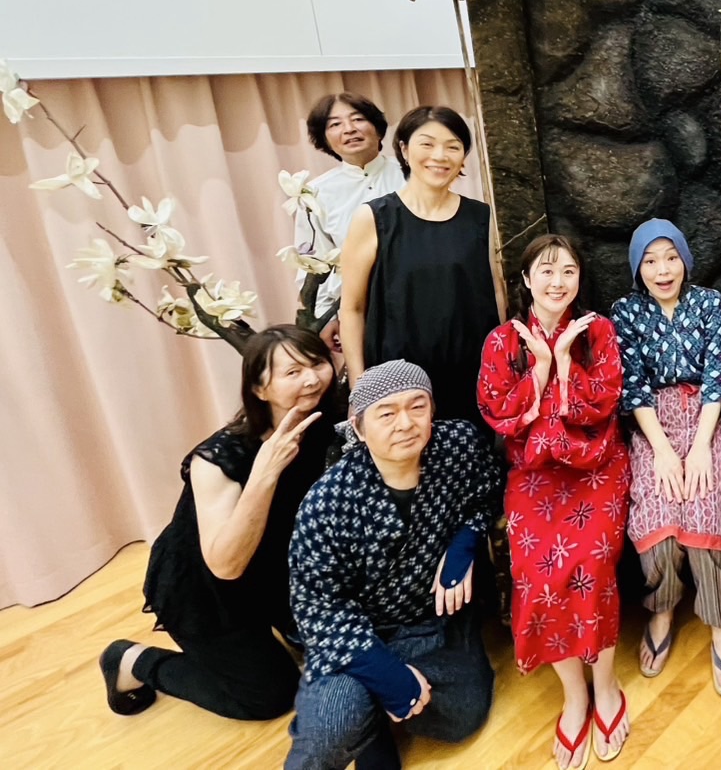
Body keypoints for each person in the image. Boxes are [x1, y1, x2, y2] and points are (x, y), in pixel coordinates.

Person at [98, 326, 338, 721]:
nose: (312, 379)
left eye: (317, 364)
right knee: (269, 698)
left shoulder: (329, 423)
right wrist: (265, 473)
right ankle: (132, 661)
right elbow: (225, 565)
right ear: (259, 389)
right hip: (207, 589)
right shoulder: (217, 459)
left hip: (276, 573)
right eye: (293, 372)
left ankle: (283, 629)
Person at [284, 360, 499, 770]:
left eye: (417, 407)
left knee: (462, 716)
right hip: (358, 633)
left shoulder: (457, 445)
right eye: (386, 414)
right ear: (359, 428)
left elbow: (487, 491)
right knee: (330, 729)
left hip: (429, 622)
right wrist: (386, 675)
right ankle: (369, 717)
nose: (405, 423)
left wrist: (466, 542)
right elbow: (318, 606)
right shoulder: (328, 501)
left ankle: (375, 711)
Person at [477, 234, 632, 768]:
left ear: (579, 278)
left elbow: (604, 403)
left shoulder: (597, 331)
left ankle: (606, 685)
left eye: (568, 271)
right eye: (545, 271)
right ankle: (574, 695)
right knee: (535, 573)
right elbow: (499, 414)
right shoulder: (502, 341)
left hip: (597, 466)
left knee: (591, 563)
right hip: (535, 475)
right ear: (525, 280)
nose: (557, 281)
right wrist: (540, 367)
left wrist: (566, 362)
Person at [610, 219, 721, 696]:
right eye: (650, 261)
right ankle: (662, 609)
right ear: (637, 267)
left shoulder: (710, 303)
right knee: (658, 521)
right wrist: (664, 452)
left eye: (671, 258)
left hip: (707, 418)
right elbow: (633, 387)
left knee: (705, 512)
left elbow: (718, 378)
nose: (662, 270)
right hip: (653, 426)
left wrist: (701, 446)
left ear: (685, 260)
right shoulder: (625, 311)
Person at [339, 105, 500, 426]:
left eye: (453, 146)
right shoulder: (374, 217)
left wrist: (504, 368)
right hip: (397, 384)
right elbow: (352, 309)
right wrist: (359, 386)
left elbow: (496, 294)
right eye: (427, 144)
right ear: (404, 149)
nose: (440, 156)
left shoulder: (482, 217)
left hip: (471, 376)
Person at [295, 92, 404, 332]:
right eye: (335, 124)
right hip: (359, 313)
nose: (349, 129)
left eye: (358, 119)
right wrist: (325, 321)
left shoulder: (413, 175)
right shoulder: (315, 193)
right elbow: (312, 265)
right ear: (324, 139)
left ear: (378, 128)